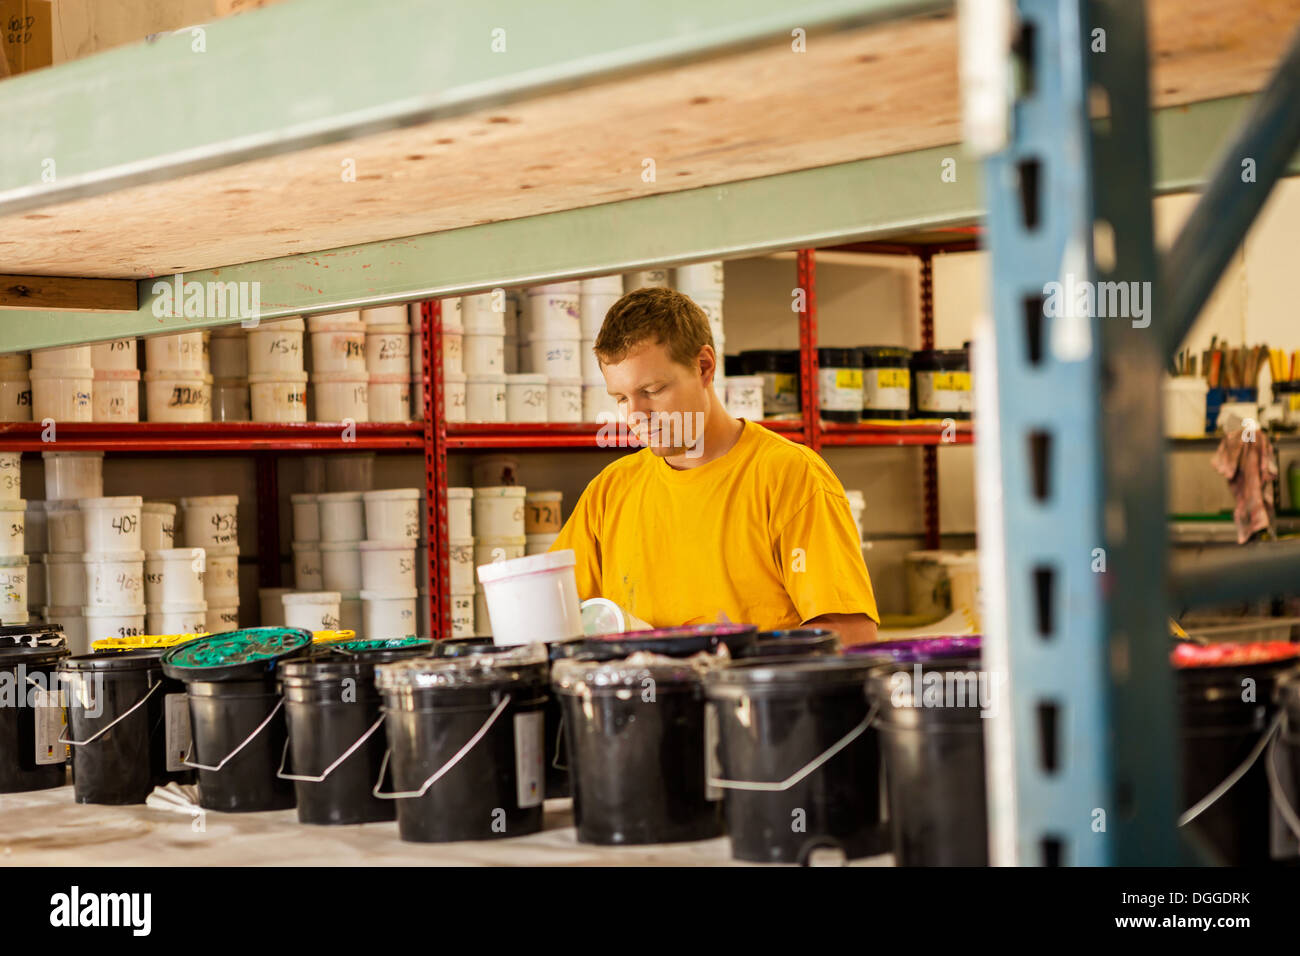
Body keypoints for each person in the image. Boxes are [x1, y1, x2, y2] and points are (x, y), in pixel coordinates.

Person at [549, 287, 879, 646]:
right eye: (621, 398)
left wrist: (723, 672)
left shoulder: (789, 476)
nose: (636, 416)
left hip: (746, 702)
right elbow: (553, 616)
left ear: (704, 366)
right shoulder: (610, 492)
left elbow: (852, 635)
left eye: (654, 390)